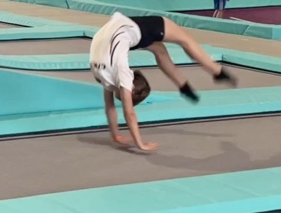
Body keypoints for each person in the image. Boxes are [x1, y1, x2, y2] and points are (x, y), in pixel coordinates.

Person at [89, 11, 238, 152]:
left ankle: (216, 71)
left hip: (131, 28)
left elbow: (129, 113)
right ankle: (183, 84)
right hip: (114, 31)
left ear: (132, 87)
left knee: (184, 39)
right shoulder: (102, 76)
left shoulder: (122, 74)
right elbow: (110, 106)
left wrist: (140, 143)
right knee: (159, 48)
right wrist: (116, 135)